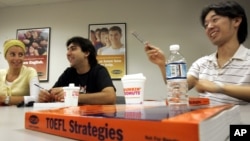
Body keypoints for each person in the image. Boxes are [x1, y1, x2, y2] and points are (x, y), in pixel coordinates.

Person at [145, 1, 250, 105]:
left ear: (236, 21)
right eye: (206, 24)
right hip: (205, 121)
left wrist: (219, 87)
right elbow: (178, 88)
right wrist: (163, 64)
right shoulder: (202, 63)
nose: (209, 27)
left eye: (215, 20)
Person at [38, 36, 116, 105]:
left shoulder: (99, 70)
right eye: (68, 49)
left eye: (73, 49)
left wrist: (72, 96)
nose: (68, 53)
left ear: (86, 53)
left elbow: (110, 97)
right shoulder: (69, 73)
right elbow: (53, 92)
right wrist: (45, 96)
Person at [0, 39, 40, 105]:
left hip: (22, 114)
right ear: (5, 56)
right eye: (12, 54)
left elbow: (36, 98)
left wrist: (5, 99)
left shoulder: (30, 72)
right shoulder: (0, 74)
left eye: (20, 54)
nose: (17, 58)